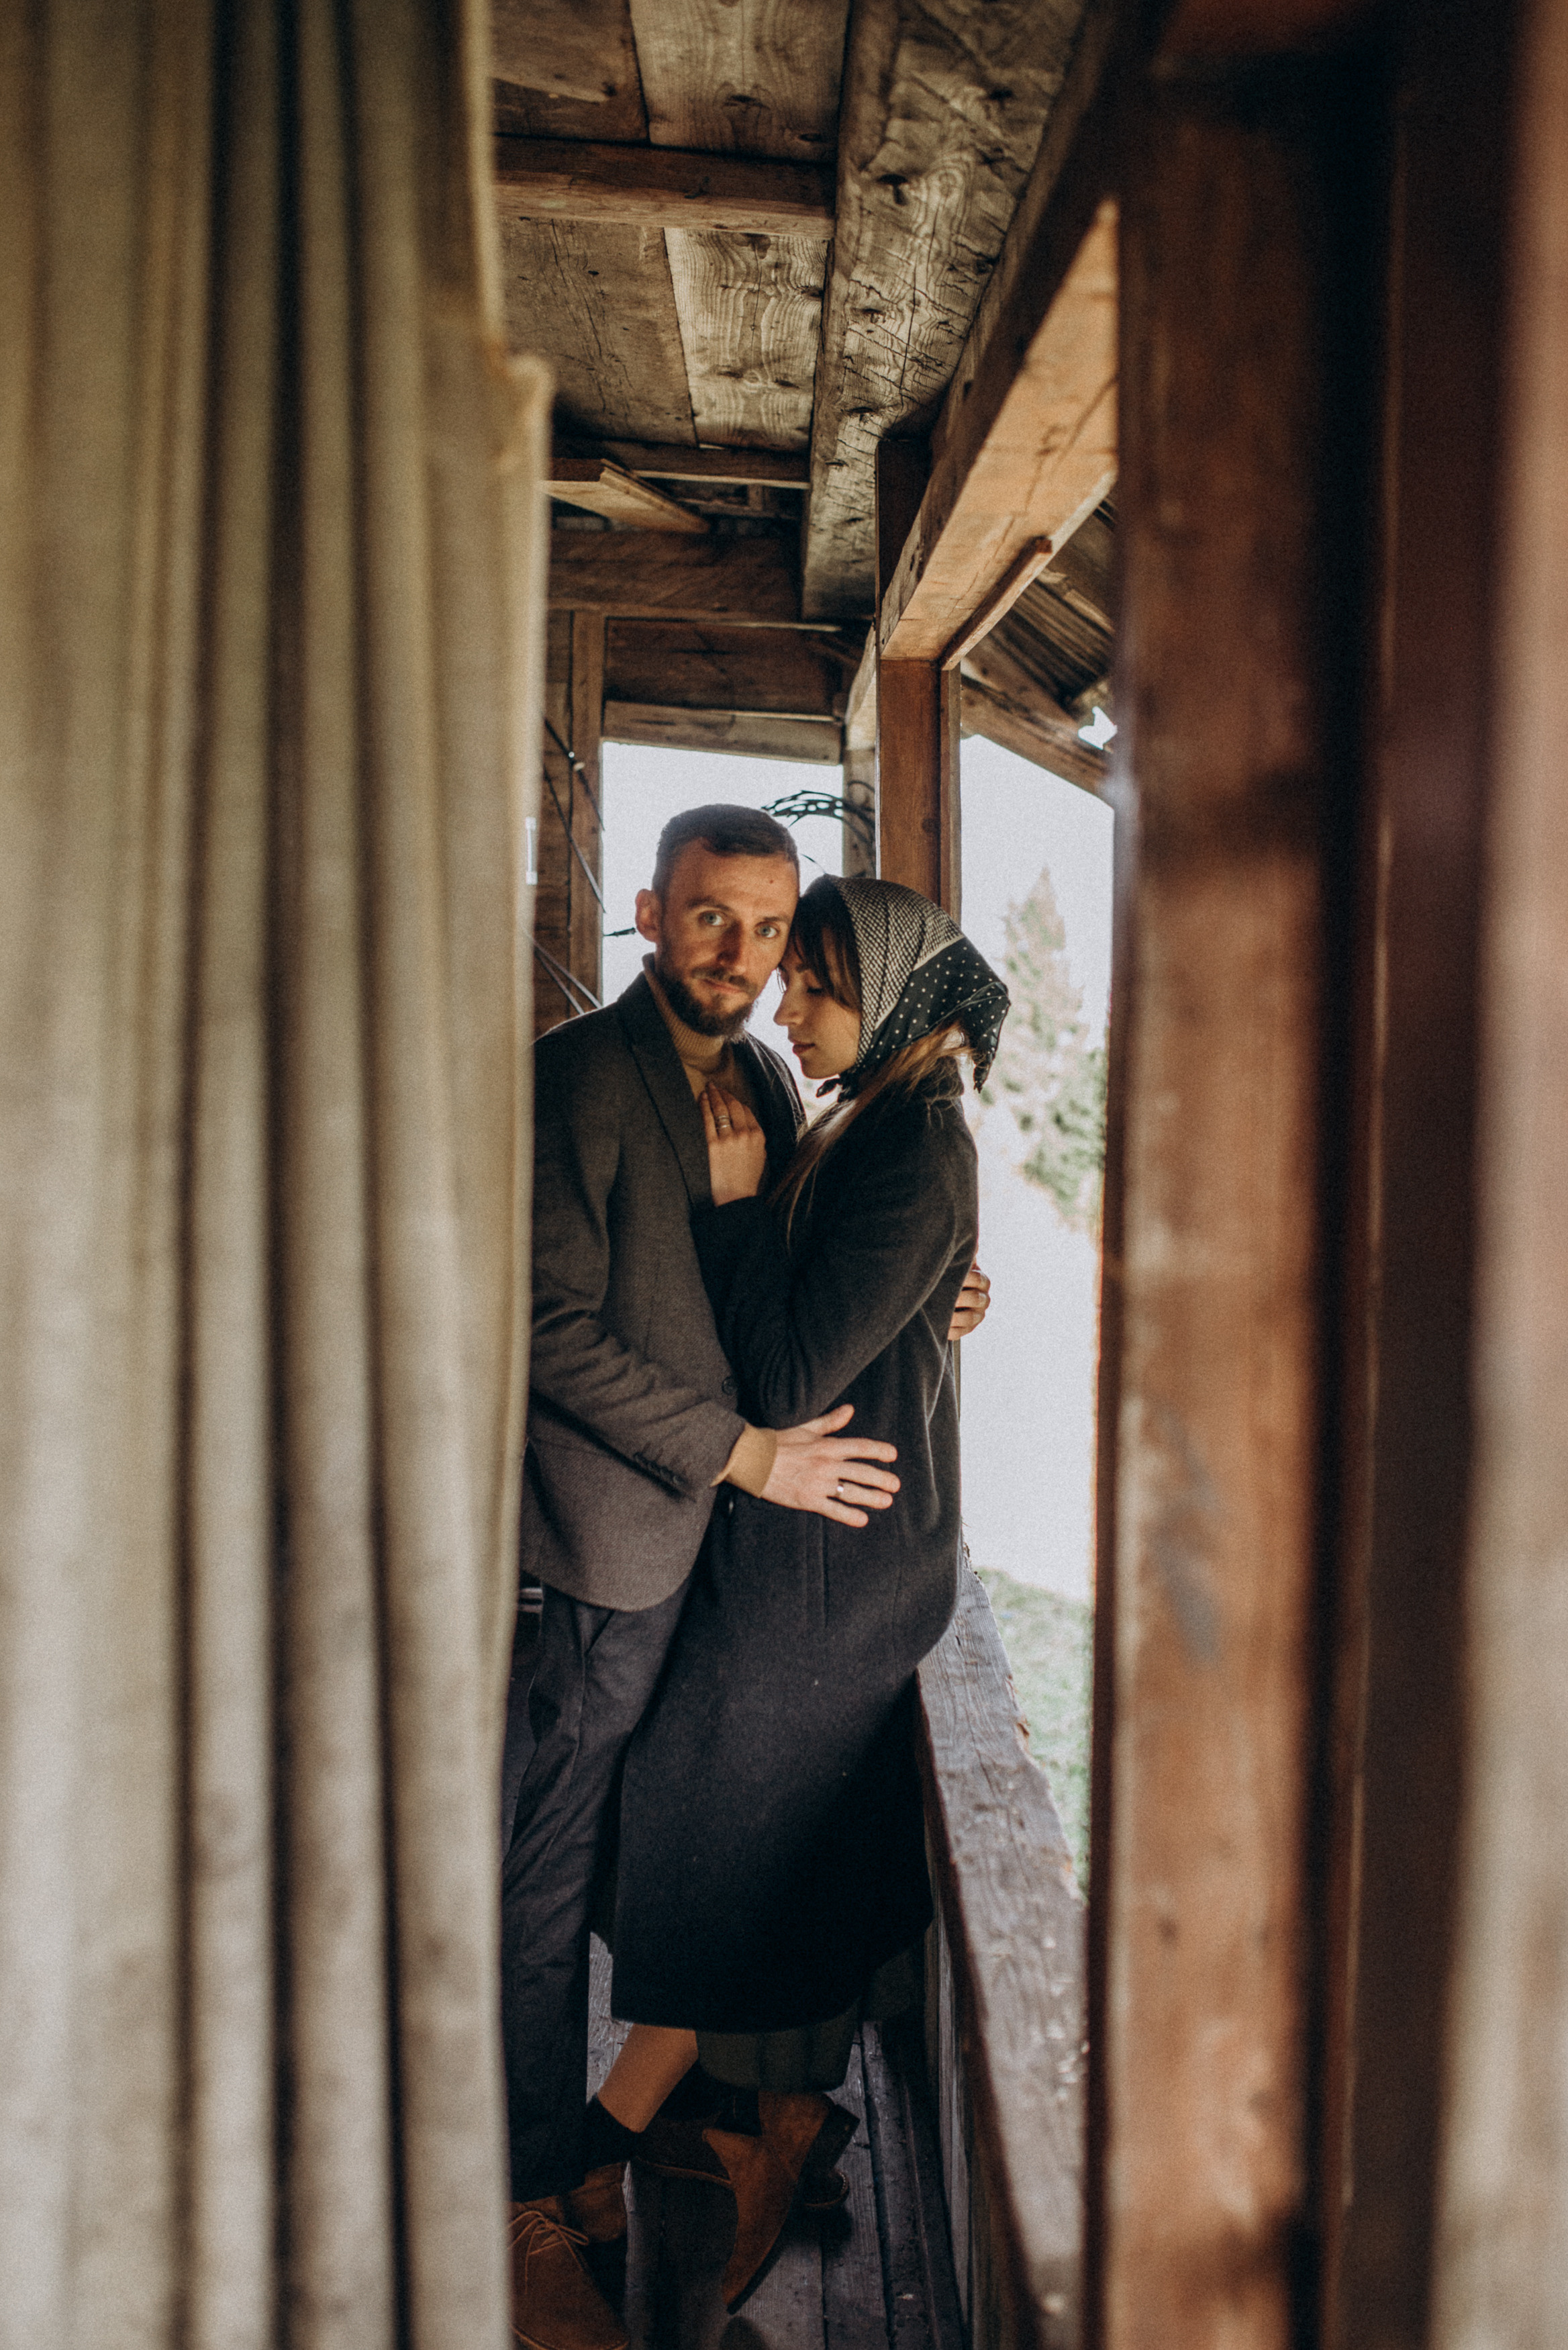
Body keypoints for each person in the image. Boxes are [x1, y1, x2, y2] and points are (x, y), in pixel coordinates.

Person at [502, 813, 989, 2350]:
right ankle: (527, 2186)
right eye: (712, 921)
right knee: (551, 1863)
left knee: (662, 1836)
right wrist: (742, 1454)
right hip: (617, 1533)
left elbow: (815, 1267)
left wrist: (935, 1283)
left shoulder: (796, 1087)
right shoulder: (578, 1079)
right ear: (650, 911)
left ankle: (678, 2125)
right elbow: (546, 1327)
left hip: (738, 1547)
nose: (749, 966)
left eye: (776, 937)